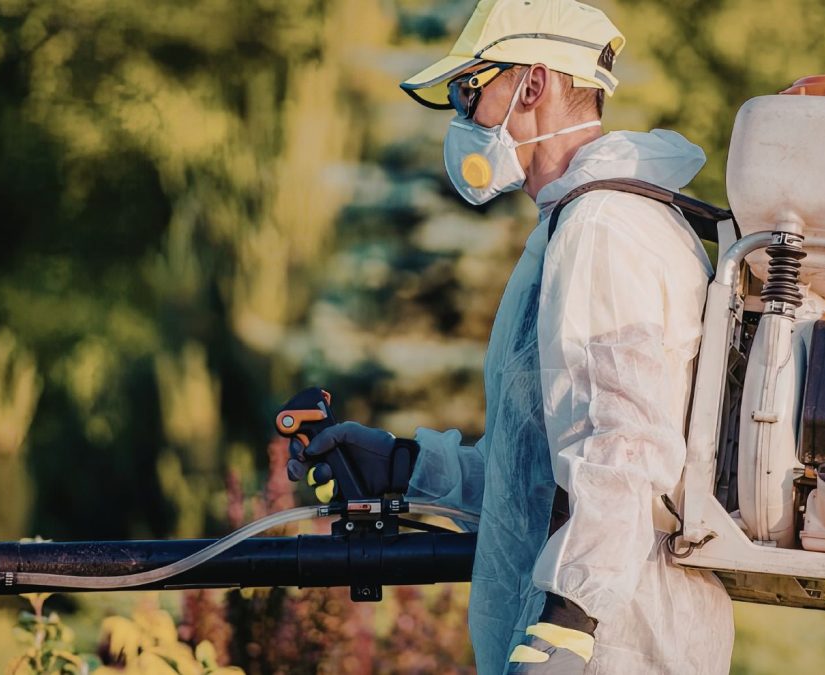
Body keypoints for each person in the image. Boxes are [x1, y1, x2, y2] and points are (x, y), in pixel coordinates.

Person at [287, 0, 734, 672]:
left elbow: (623, 448)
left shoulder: (603, 228)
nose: (462, 114)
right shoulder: (576, 224)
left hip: (615, 646)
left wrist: (567, 626)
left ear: (533, 84)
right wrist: (406, 467)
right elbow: (534, 481)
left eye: (469, 90)